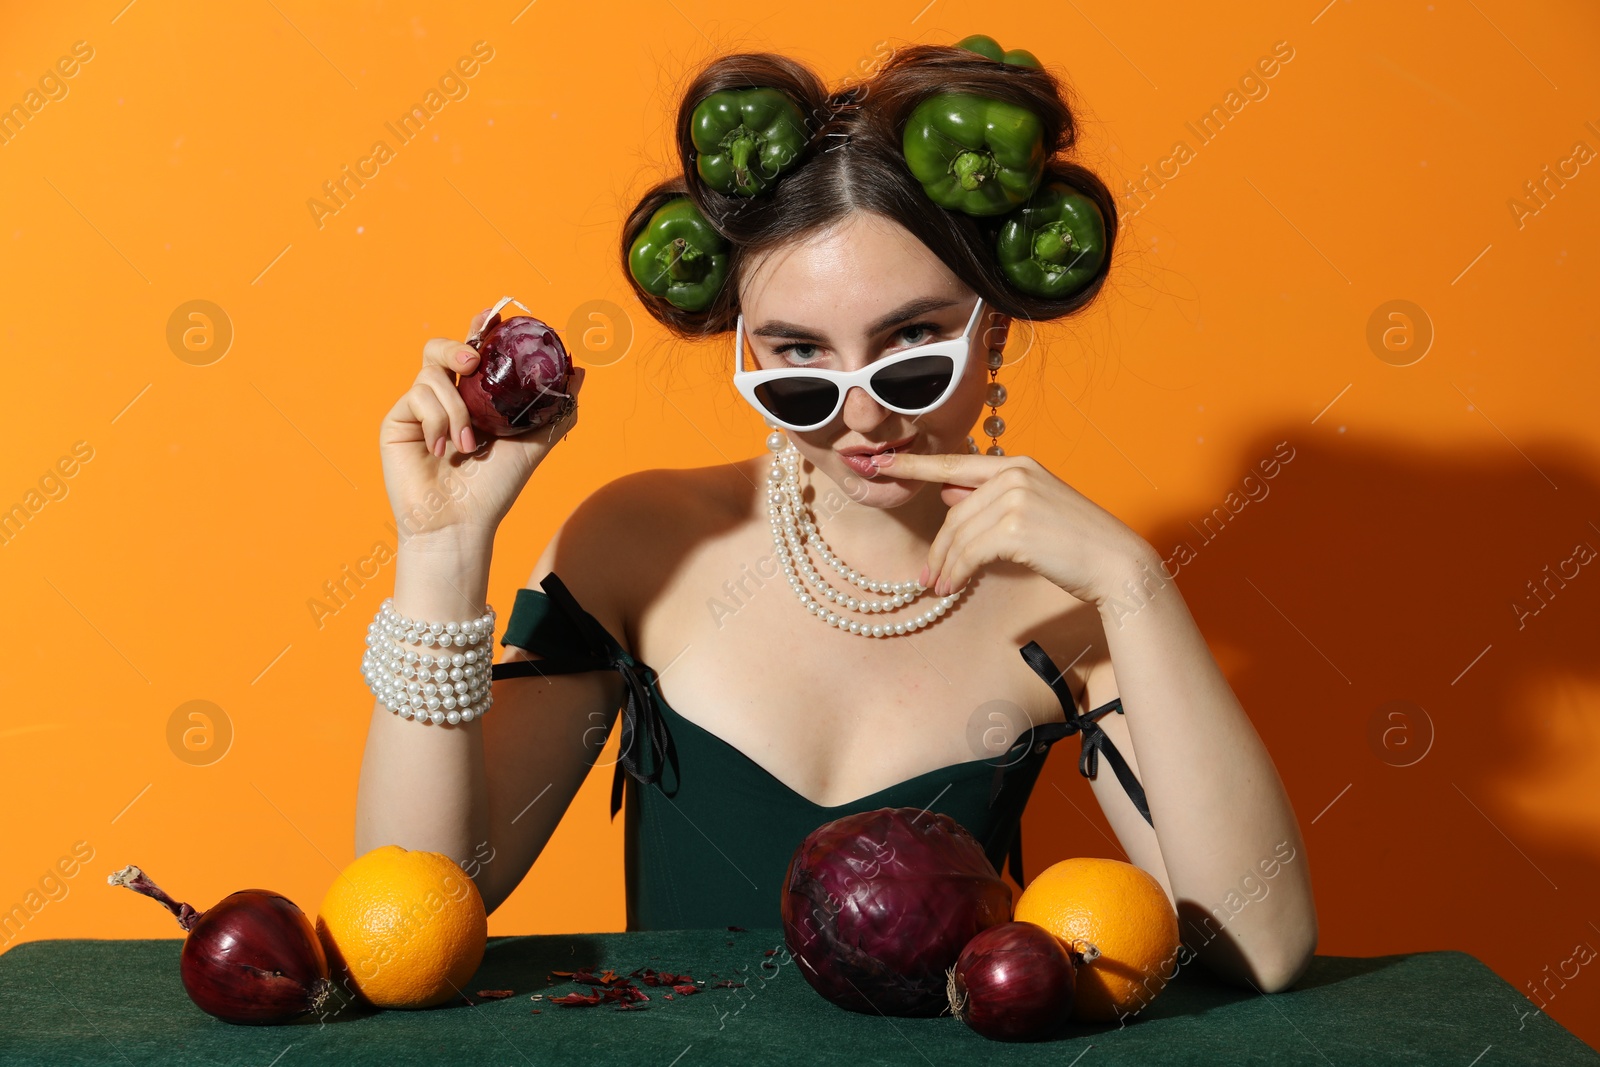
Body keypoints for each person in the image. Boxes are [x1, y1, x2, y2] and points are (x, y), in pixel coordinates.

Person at [355, 41, 1317, 993]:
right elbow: (419, 905)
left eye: (912, 342)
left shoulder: (1068, 606)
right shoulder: (639, 543)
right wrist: (441, 550)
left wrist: (1134, 582)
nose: (861, 413)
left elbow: (1261, 946)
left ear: (998, 324)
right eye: (799, 358)